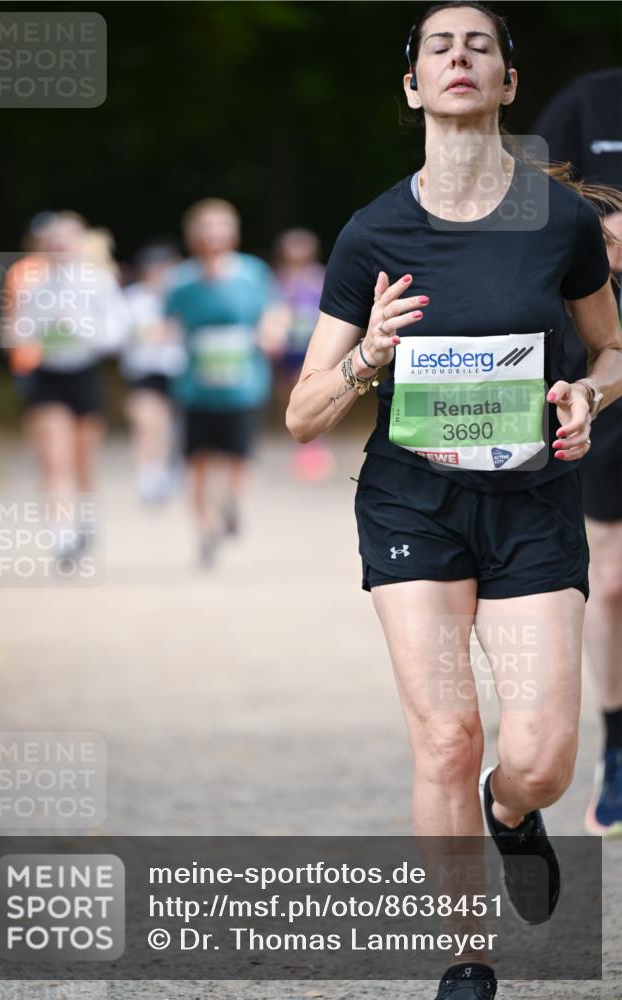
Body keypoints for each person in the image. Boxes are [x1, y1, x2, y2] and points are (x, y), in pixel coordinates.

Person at [285, 3, 622, 998]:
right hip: (413, 506)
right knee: (444, 735)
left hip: (531, 506)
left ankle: (510, 812)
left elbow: (610, 348)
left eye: (481, 46)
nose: (460, 57)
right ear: (412, 86)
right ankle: (463, 956)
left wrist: (586, 396)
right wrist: (368, 357)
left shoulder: (557, 221)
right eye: (438, 46)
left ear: (509, 84)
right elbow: (302, 412)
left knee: (541, 757)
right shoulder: (373, 232)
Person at [532, 69, 622, 838]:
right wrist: (604, 227)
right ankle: (617, 748)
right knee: (613, 584)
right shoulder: (586, 102)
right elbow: (529, 201)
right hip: (609, 351)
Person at [164, 198, 284, 567]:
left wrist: (270, 333)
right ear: (192, 235)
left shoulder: (253, 273)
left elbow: (275, 312)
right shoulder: (181, 280)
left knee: (238, 459)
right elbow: (165, 323)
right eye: (205, 228)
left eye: (220, 227)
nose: (212, 235)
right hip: (195, 388)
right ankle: (205, 533)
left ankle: (231, 503)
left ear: (233, 233)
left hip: (242, 387)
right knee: (196, 464)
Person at [4, 211, 129, 559]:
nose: (59, 244)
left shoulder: (98, 282)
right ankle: (60, 534)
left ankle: (85, 521)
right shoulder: (30, 283)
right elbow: (14, 333)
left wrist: (80, 325)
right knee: (54, 459)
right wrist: (38, 325)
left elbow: (116, 334)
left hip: (85, 374)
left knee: (82, 459)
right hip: (47, 376)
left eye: (66, 237)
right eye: (52, 239)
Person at [121, 243, 185, 503]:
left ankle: (172, 466)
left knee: (173, 426)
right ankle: (148, 474)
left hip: (178, 369)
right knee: (147, 422)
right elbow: (118, 332)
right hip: (144, 370)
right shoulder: (132, 299)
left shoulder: (182, 296)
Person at [272, 229, 333, 481]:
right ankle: (301, 442)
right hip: (287, 349)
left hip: (312, 346)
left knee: (311, 393)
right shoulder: (279, 279)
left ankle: (313, 446)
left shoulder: (320, 277)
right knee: (290, 396)